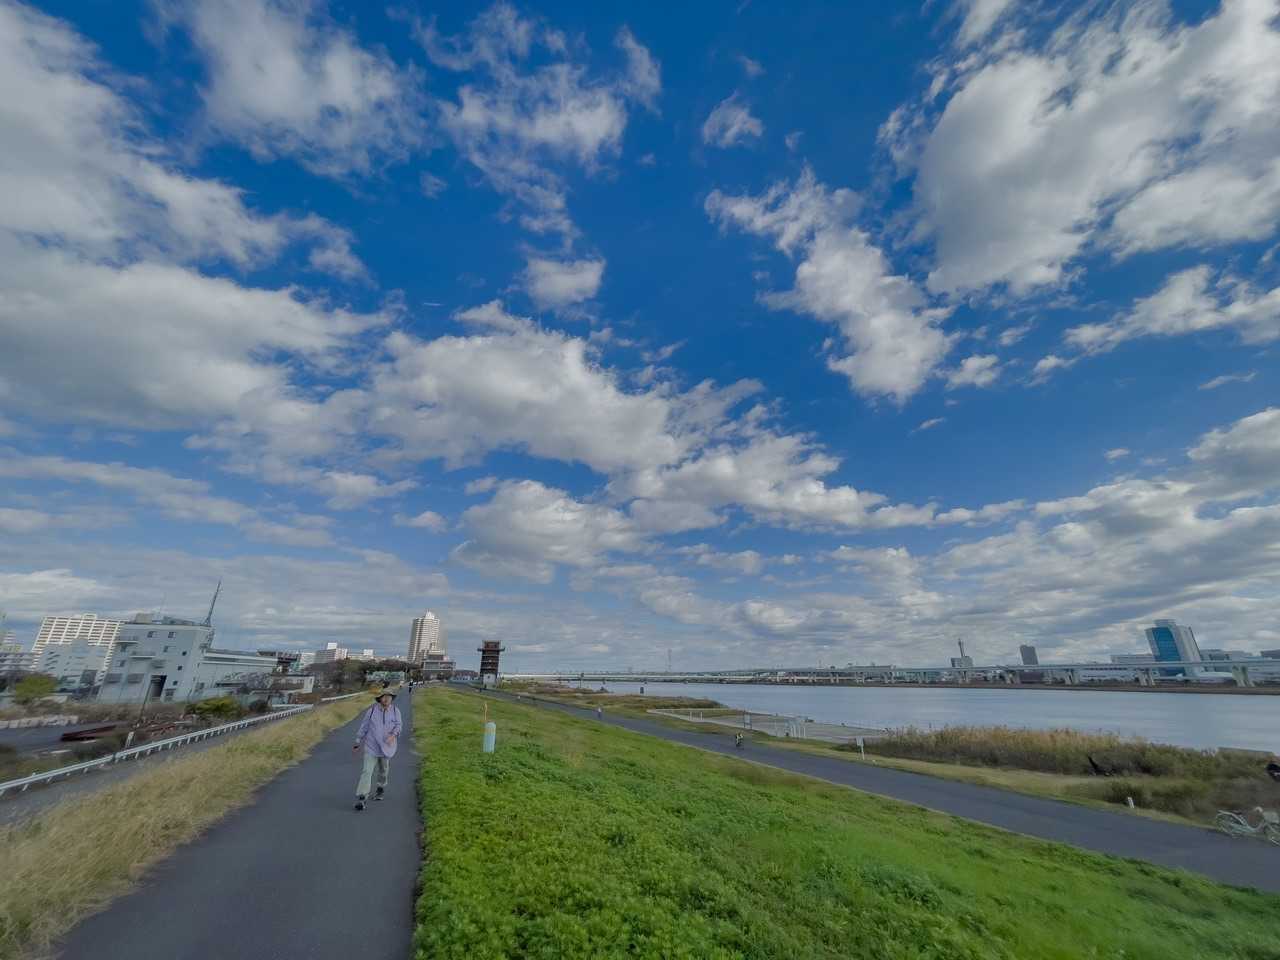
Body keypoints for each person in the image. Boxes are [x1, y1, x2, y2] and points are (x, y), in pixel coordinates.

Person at [353, 689, 402, 811]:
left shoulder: (395, 711)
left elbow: (399, 725)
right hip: (371, 746)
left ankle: (380, 787)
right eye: (384, 696)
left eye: (389, 697)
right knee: (367, 771)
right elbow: (364, 726)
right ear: (380, 698)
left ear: (392, 699)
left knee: (383, 770)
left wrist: (393, 736)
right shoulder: (372, 711)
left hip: (386, 747)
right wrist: (358, 741)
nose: (387, 699)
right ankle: (362, 797)